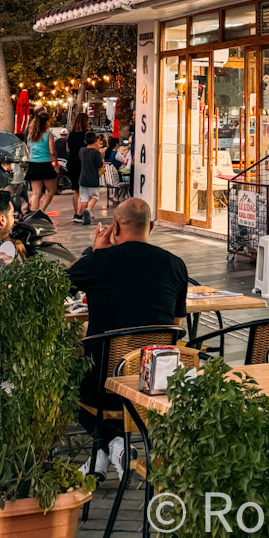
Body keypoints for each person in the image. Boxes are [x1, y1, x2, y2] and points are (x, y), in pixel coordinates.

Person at [68, 198, 188, 478]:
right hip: (154, 383)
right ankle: (108, 452)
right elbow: (176, 326)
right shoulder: (176, 265)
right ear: (152, 226)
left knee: (64, 380)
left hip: (104, 385)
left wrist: (95, 252)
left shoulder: (99, 262)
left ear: (115, 227)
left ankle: (111, 442)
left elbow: (54, 285)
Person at [26, 107, 58, 213]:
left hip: (33, 164)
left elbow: (28, 148)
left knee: (36, 193)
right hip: (45, 164)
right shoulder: (48, 135)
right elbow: (52, 151)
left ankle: (33, 212)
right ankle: (41, 210)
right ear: (47, 122)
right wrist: (56, 164)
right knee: (51, 190)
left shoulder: (31, 135)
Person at [77, 131, 103, 226]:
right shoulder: (96, 153)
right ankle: (88, 209)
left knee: (84, 198)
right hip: (93, 178)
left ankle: (84, 214)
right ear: (96, 140)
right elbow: (99, 164)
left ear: (85, 141)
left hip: (83, 178)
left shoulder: (81, 151)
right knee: (95, 196)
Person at [66, 112, 88, 220]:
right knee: (83, 190)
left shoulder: (71, 135)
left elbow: (68, 149)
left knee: (76, 190)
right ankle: (81, 212)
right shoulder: (86, 134)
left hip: (72, 161)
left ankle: (76, 212)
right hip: (82, 162)